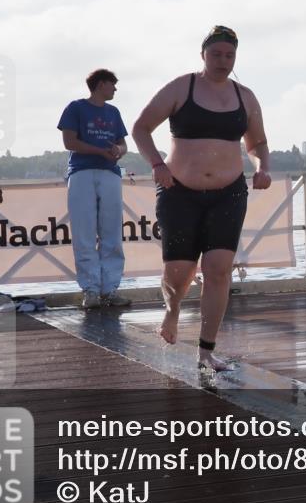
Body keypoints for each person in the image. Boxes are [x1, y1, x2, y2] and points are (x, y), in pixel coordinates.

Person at [131, 25, 271, 371]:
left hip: (228, 192)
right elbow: (141, 128)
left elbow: (257, 143)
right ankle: (172, 309)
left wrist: (262, 167)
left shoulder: (245, 96)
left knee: (218, 269)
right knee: (178, 272)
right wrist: (157, 164)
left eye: (229, 55)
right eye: (216, 54)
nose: (223, 61)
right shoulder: (182, 87)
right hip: (179, 191)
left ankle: (206, 351)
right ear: (203, 55)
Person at [57, 69, 131, 309]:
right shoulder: (76, 108)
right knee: (84, 232)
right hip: (82, 172)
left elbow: (123, 144)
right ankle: (90, 290)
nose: (115, 89)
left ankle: (110, 289)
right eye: (112, 84)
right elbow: (69, 141)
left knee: (112, 232)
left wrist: (118, 151)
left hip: (110, 173)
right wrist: (99, 151)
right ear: (100, 85)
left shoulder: (113, 112)